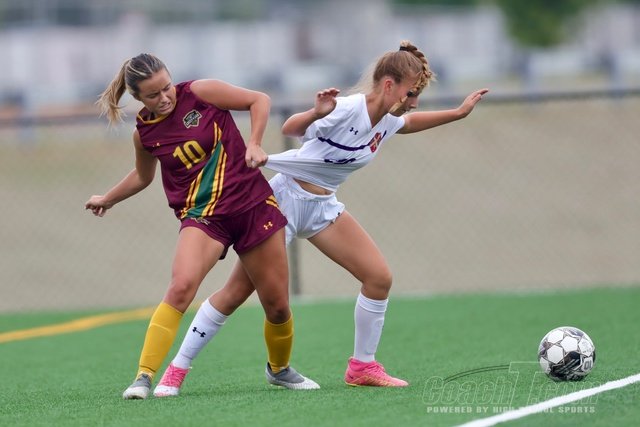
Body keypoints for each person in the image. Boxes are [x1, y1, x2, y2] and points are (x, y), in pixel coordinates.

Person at [154, 40, 488, 396]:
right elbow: (291, 128)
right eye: (411, 93)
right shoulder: (348, 109)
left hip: (322, 207)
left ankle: (362, 367)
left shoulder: (387, 120)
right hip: (281, 202)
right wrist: (316, 113)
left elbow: (408, 123)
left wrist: (458, 113)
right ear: (389, 85)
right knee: (235, 293)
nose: (414, 102)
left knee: (378, 278)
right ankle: (176, 370)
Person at [85, 53, 319, 400]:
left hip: (253, 207)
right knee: (181, 287)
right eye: (153, 95)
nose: (164, 97)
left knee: (277, 306)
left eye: (166, 87)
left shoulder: (201, 92)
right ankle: (143, 377)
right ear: (137, 98)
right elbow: (143, 176)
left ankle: (279, 369)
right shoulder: (144, 135)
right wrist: (108, 198)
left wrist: (254, 142)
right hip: (203, 217)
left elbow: (259, 100)